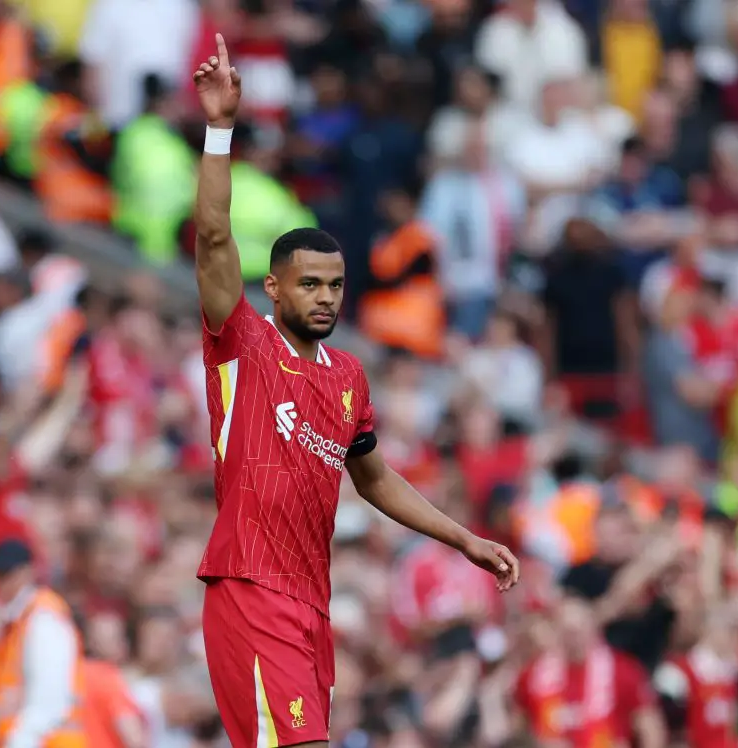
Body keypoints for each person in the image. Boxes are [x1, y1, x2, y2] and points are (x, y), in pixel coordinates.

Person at [189, 34, 522, 748]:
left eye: (336, 285)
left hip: (311, 602)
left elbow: (371, 477)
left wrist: (462, 538)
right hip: (250, 587)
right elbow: (214, 237)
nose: (325, 297)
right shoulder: (241, 342)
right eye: (309, 283)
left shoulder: (347, 378)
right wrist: (221, 127)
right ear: (273, 286)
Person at [0, 539, 86, 748]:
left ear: (28, 572)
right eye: (0, 576)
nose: (5, 583)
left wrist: (20, 742)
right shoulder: (12, 624)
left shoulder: (44, 618)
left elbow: (49, 697)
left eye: (9, 574)